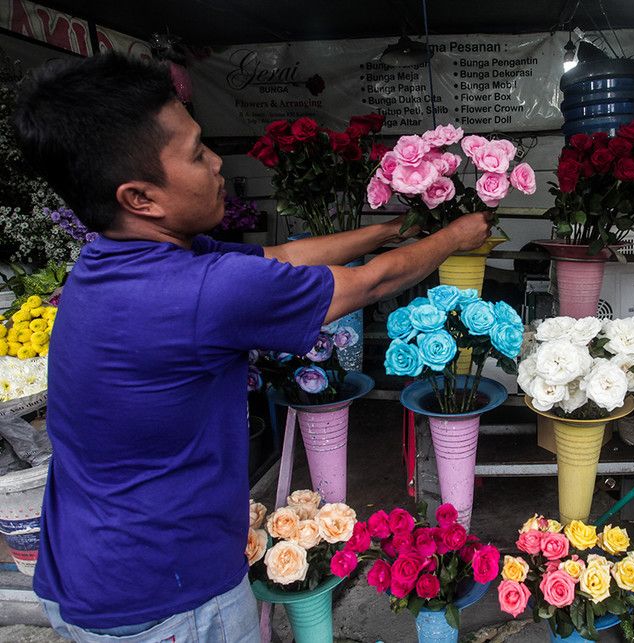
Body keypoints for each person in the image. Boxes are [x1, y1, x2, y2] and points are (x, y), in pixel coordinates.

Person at [12, 52, 490, 642]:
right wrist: (456, 236)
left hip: (91, 576)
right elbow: (373, 283)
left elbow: (284, 258)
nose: (217, 163)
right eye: (194, 153)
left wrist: (391, 228)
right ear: (140, 197)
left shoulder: (115, 262)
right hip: (169, 601)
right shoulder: (196, 292)